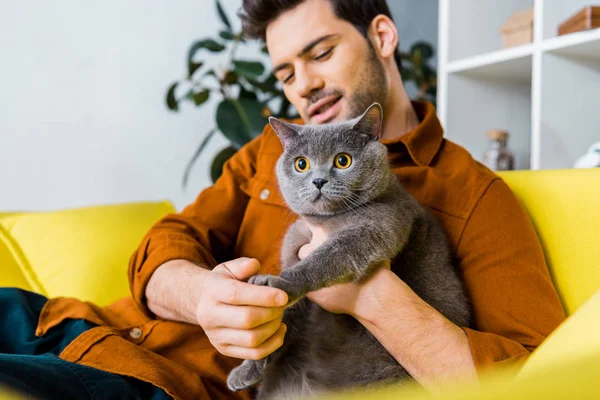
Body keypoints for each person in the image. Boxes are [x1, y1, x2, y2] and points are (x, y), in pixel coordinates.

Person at [0, 0, 566, 399]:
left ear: (383, 37)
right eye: (287, 72)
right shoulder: (270, 153)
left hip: (156, 386)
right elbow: (165, 244)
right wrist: (200, 296)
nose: (303, 85)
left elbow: (536, 379)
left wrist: (370, 294)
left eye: (320, 53)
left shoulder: (473, 195)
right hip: (74, 325)